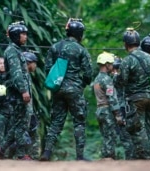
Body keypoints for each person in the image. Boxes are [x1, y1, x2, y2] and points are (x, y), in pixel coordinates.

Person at [40, 18, 93, 161]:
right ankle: (80, 157)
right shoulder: (82, 50)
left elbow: (47, 69)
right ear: (80, 34)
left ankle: (46, 153)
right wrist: (82, 83)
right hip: (75, 89)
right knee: (79, 122)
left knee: (56, 121)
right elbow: (88, 73)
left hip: (57, 89)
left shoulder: (55, 47)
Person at [114, 28, 150, 159]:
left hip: (135, 99)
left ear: (126, 44)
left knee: (138, 129)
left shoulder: (127, 60)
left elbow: (122, 81)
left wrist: (115, 77)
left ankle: (145, 160)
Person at [0, 21, 32, 160]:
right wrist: (23, 91)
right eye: (23, 34)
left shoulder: (16, 50)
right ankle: (21, 155)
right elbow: (16, 73)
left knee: (18, 124)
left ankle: (0, 149)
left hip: (19, 93)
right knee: (21, 124)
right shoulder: (12, 51)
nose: (25, 36)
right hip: (17, 94)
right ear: (16, 35)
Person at [93, 51, 125, 160]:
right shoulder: (107, 80)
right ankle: (109, 159)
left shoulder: (97, 79)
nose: (112, 66)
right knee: (111, 137)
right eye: (111, 64)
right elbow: (112, 98)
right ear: (106, 64)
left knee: (105, 136)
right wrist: (118, 115)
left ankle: (105, 158)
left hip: (99, 110)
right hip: (107, 111)